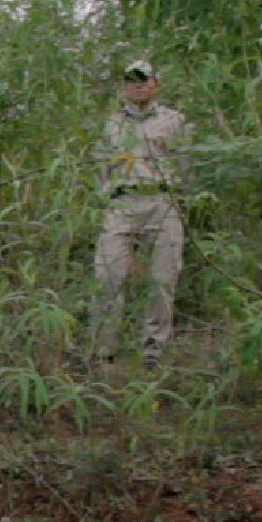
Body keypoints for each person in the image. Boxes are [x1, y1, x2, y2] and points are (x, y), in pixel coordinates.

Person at [93, 60, 191, 366]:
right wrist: (106, 196)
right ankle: (103, 353)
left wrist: (180, 200)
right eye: (131, 81)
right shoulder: (111, 124)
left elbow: (187, 165)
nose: (138, 85)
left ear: (155, 84)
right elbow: (99, 166)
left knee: (163, 278)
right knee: (107, 276)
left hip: (162, 203)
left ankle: (153, 353)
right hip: (121, 203)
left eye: (144, 80)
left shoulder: (175, 121)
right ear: (124, 87)